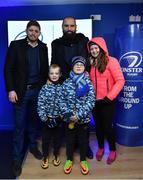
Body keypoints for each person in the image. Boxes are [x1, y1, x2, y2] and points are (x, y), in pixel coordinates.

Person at [4, 20, 49, 177]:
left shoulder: (43, 47)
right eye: (31, 30)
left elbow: (45, 70)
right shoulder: (16, 45)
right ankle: (16, 160)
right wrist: (11, 89)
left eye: (36, 31)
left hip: (38, 91)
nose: (33, 33)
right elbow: (8, 69)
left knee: (34, 122)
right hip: (21, 92)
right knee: (19, 126)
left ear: (39, 32)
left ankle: (33, 147)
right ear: (26, 31)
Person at [51, 16, 93, 159]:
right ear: (62, 27)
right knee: (68, 119)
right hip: (65, 84)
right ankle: (70, 146)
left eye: (72, 26)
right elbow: (54, 63)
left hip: (81, 83)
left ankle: (85, 146)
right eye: (66, 26)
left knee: (84, 117)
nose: (69, 28)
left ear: (76, 27)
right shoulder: (55, 44)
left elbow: (88, 60)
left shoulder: (83, 40)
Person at [87, 37, 125, 164]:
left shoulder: (111, 61)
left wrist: (109, 97)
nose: (93, 50)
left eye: (96, 48)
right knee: (98, 127)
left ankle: (112, 150)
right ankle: (101, 147)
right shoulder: (91, 63)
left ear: (101, 48)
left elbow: (120, 80)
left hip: (107, 101)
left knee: (107, 127)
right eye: (91, 48)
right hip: (95, 101)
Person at [60, 56, 95, 175]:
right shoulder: (66, 83)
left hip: (83, 119)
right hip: (69, 119)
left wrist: (79, 115)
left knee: (83, 140)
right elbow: (61, 100)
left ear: (84, 67)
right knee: (69, 140)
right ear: (72, 66)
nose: (79, 66)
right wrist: (69, 114)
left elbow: (91, 102)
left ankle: (83, 160)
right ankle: (69, 159)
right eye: (76, 64)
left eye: (81, 64)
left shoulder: (88, 83)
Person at [37, 64, 62, 169]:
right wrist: (45, 118)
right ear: (48, 74)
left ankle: (56, 155)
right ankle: (45, 156)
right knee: (46, 140)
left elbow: (64, 104)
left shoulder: (62, 88)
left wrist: (60, 117)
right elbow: (40, 104)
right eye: (52, 73)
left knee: (57, 139)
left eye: (56, 73)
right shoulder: (44, 88)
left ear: (60, 74)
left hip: (58, 120)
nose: (54, 75)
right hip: (47, 120)